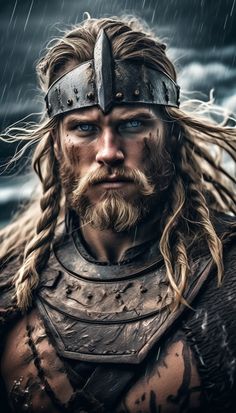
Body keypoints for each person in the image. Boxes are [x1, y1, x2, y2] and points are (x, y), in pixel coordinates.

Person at [0, 16, 235, 413]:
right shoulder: (11, 284)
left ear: (171, 136)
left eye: (134, 123)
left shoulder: (228, 279)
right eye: (85, 129)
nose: (109, 152)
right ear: (57, 145)